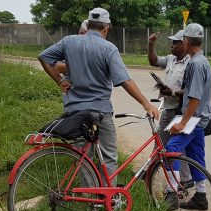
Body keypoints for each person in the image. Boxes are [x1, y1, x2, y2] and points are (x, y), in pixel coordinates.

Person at [38, 7, 159, 186]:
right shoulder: (108, 48)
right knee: (109, 157)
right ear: (106, 28)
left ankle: (88, 201)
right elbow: (125, 80)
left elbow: (43, 57)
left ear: (89, 24)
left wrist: (60, 81)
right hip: (100, 113)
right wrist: (145, 103)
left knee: (82, 157)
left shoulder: (69, 42)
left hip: (74, 112)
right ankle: (106, 200)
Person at [164, 23, 211, 211]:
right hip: (201, 119)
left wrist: (183, 123)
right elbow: (194, 92)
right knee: (196, 156)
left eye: (182, 40)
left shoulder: (195, 63)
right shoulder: (202, 61)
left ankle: (171, 193)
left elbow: (195, 97)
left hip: (193, 119)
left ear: (186, 41)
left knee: (171, 149)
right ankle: (201, 196)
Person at [147, 30, 193, 187]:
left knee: (177, 148)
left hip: (181, 112)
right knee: (159, 142)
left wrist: (172, 92)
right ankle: (149, 172)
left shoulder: (191, 63)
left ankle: (185, 181)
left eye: (175, 42)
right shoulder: (170, 59)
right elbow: (154, 61)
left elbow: (191, 91)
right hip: (168, 108)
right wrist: (151, 44)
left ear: (184, 44)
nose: (171, 45)